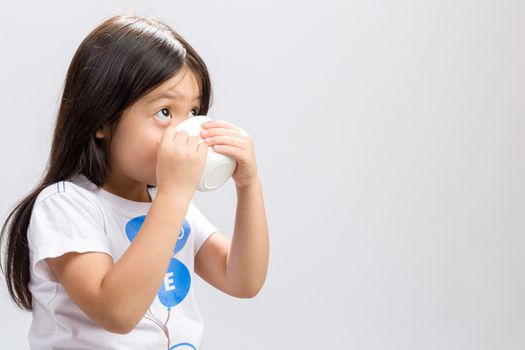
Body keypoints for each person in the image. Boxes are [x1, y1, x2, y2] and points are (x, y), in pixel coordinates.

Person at [0, 13, 269, 350]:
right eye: (165, 113)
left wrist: (249, 186)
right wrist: (173, 194)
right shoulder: (65, 205)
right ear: (103, 120)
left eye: (194, 113)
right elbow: (117, 313)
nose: (185, 131)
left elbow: (242, 279)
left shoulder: (172, 204)